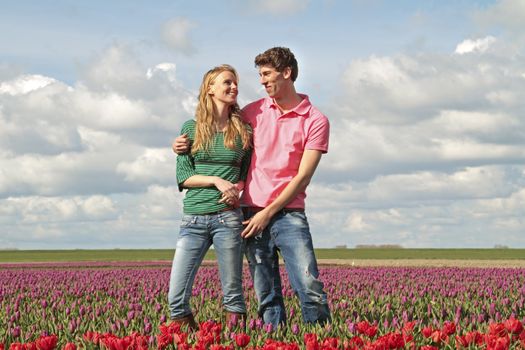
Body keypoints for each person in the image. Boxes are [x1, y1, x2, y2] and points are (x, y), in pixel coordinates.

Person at [173, 47, 331, 328]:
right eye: (260, 75)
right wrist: (181, 145)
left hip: (288, 214)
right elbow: (217, 130)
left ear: (287, 73)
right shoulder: (252, 113)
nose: (262, 81)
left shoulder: (315, 120)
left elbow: (302, 177)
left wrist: (267, 213)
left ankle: (320, 338)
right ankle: (274, 339)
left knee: (308, 284)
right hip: (248, 213)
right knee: (265, 292)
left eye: (267, 74)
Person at [168, 64, 252, 330]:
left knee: (233, 295)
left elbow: (246, 174)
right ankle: (194, 339)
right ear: (210, 89)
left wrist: (235, 191)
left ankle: (232, 342)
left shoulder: (243, 131)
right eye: (227, 82)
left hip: (227, 218)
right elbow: (184, 176)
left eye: (235, 83)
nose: (233, 87)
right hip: (192, 218)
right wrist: (216, 180)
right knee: (176, 298)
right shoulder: (190, 129)